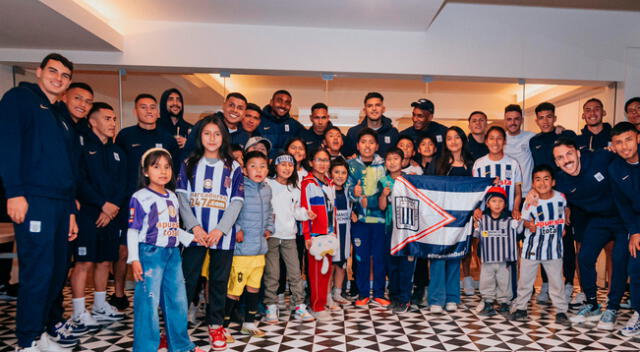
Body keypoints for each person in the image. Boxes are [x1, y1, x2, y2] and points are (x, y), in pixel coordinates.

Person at [0, 53, 81, 351]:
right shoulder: (19, 99)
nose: (58, 78)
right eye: (53, 71)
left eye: (64, 75)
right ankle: (27, 341)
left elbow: (68, 167)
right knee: (38, 272)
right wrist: (15, 192)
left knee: (58, 271)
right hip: (33, 199)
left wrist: (71, 210)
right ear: (39, 71)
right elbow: (8, 146)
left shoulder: (59, 113)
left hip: (61, 204)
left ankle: (43, 332)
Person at [176, 114, 244, 351]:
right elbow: (182, 198)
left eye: (217, 133)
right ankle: (176, 327)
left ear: (223, 137)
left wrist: (219, 229)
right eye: (207, 133)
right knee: (187, 280)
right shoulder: (189, 163)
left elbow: (236, 202)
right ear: (199, 136)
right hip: (194, 234)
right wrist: (194, 226)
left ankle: (216, 324)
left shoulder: (233, 166)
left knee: (218, 282)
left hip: (221, 236)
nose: (212, 138)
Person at [126, 148, 206, 352]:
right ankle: (145, 348)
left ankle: (180, 345)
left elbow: (172, 228)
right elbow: (133, 231)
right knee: (148, 304)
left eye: (167, 166)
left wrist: (192, 237)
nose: (163, 171)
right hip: (150, 254)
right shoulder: (140, 197)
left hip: (172, 255)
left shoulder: (172, 196)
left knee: (177, 301)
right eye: (156, 166)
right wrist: (134, 259)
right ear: (145, 171)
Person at [551, 138, 628, 330]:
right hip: (598, 220)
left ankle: (612, 308)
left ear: (578, 153)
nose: (566, 160)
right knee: (584, 257)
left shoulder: (600, 158)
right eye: (560, 158)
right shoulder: (560, 180)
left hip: (623, 218)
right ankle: (592, 304)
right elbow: (546, 189)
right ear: (557, 163)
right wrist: (535, 194)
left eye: (569, 154)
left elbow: (626, 153)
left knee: (619, 259)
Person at [112, 93, 179, 311]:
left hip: (160, 203)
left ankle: (157, 299)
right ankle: (119, 295)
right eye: (143, 107)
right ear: (135, 111)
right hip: (131, 201)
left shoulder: (167, 138)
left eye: (152, 107)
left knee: (160, 246)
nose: (149, 111)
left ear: (158, 112)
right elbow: (119, 170)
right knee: (124, 251)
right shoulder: (125, 136)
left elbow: (174, 169)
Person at [71, 103, 126, 334]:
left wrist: (112, 207)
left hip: (112, 215)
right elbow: (79, 181)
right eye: (107, 118)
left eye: (114, 119)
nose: (112, 123)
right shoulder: (82, 147)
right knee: (84, 263)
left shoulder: (117, 152)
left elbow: (123, 184)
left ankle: (101, 305)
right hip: (88, 214)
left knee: (105, 261)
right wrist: (102, 205)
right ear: (93, 121)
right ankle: (78, 312)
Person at [222, 151, 273, 338]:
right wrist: (237, 229)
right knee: (234, 290)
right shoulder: (240, 187)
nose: (258, 170)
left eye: (262, 166)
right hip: (242, 251)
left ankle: (249, 323)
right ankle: (223, 328)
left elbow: (269, 212)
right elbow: (232, 211)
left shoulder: (267, 189)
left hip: (260, 249)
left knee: (254, 287)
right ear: (244, 169)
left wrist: (270, 228)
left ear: (267, 169)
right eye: (253, 166)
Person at [510, 165, 570, 325]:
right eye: (538, 179)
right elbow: (523, 221)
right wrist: (528, 224)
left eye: (546, 179)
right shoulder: (530, 202)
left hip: (554, 250)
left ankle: (561, 311)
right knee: (525, 281)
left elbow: (565, 212)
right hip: (532, 249)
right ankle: (521, 308)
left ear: (553, 182)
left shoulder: (561, 198)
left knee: (557, 282)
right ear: (532, 183)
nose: (542, 183)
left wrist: (563, 227)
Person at [426, 127, 475, 313]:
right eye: (449, 138)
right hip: (439, 217)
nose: (453, 141)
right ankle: (436, 299)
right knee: (438, 257)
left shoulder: (471, 164)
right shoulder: (438, 163)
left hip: (461, 218)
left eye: (456, 137)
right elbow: (428, 187)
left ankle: (453, 297)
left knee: (455, 256)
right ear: (445, 143)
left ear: (463, 139)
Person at [263, 153, 315, 323]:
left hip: (289, 237)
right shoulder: (267, 184)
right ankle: (271, 306)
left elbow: (296, 211)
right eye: (282, 164)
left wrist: (306, 214)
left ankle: (299, 306)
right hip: (271, 236)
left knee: (295, 273)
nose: (286, 168)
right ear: (275, 166)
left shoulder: (295, 188)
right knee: (273, 273)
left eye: (290, 165)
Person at [347, 129, 390, 308]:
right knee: (361, 258)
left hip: (380, 221)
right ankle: (363, 293)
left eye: (371, 142)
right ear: (358, 145)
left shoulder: (384, 165)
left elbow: (389, 190)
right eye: (363, 141)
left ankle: (379, 293)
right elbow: (344, 188)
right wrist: (353, 193)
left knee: (380, 257)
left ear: (377, 146)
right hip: (360, 221)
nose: (367, 145)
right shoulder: (350, 165)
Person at [608, 121, 640, 336]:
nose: (624, 146)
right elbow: (623, 205)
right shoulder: (615, 169)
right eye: (618, 142)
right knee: (634, 268)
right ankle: (638, 312)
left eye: (628, 139)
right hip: (635, 224)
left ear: (638, 137)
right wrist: (635, 231)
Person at [300, 148, 337, 320]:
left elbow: (332, 210)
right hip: (315, 236)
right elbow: (304, 210)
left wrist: (335, 232)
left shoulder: (330, 183)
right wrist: (307, 235)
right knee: (315, 273)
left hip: (329, 235)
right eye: (318, 160)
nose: (322, 164)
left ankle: (321, 301)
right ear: (311, 162)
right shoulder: (307, 183)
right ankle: (317, 306)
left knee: (326, 271)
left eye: (325, 160)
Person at [474, 187, 520, 316]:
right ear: (487, 203)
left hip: (504, 259)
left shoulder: (510, 220)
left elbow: (520, 232)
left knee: (504, 281)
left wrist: (520, 223)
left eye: (500, 201)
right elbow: (476, 236)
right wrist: (476, 226)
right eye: (494, 201)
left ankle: (504, 302)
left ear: (505, 204)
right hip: (487, 258)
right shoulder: (483, 219)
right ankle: (488, 301)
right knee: (486, 280)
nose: (497, 204)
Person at [379, 148, 414, 314]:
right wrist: (384, 195)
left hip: (407, 230)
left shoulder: (410, 180)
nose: (392, 162)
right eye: (389, 159)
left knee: (405, 265)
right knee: (391, 264)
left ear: (402, 161)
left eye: (396, 159)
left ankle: (405, 298)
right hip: (389, 228)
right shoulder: (383, 181)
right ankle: (394, 297)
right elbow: (381, 207)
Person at [184, 92, 250, 156]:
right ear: (223, 106)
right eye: (231, 105)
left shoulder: (244, 136)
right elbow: (187, 153)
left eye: (240, 108)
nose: (235, 110)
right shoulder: (204, 125)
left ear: (244, 113)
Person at [345, 92, 399, 157]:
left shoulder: (393, 133)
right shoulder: (353, 132)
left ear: (383, 109)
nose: (374, 109)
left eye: (377, 105)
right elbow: (346, 158)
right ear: (364, 110)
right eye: (369, 106)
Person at [329, 157, 352, 306]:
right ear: (330, 173)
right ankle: (327, 295)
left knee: (341, 264)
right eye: (336, 172)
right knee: (330, 265)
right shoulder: (327, 189)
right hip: (331, 234)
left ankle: (337, 292)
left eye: (343, 173)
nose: (340, 175)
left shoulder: (348, 191)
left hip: (345, 232)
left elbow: (353, 207)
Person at [530, 102, 578, 169]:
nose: (545, 121)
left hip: (566, 178)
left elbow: (578, 160)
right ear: (537, 121)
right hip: (544, 179)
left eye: (549, 117)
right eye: (541, 118)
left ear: (555, 118)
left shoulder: (567, 135)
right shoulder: (533, 141)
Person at [258, 90, 304, 158]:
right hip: (263, 166)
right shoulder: (258, 121)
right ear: (271, 102)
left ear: (290, 106)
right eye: (279, 101)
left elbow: (308, 139)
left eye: (287, 103)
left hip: (286, 167)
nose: (283, 105)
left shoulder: (294, 125)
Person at [503, 104, 534, 196]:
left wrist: (558, 130)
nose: (513, 122)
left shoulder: (531, 137)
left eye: (516, 119)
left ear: (522, 120)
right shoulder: (500, 139)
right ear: (505, 121)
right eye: (509, 119)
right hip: (505, 192)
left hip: (527, 193)